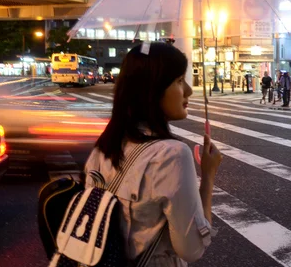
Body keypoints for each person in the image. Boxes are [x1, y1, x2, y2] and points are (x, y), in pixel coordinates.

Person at [84, 42, 222, 266]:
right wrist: (208, 177)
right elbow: (192, 249)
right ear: (153, 89)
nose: (188, 90)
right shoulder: (171, 154)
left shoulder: (104, 146)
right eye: (178, 81)